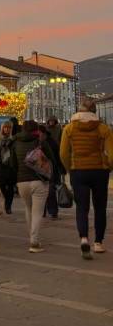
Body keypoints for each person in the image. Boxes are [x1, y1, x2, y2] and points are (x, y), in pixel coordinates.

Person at [60, 100, 113, 259]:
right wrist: (108, 166)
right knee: (100, 207)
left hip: (78, 171)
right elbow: (111, 153)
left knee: (82, 207)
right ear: (95, 112)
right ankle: (98, 242)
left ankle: (84, 238)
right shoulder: (103, 128)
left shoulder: (69, 128)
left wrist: (70, 168)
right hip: (99, 171)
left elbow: (63, 153)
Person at [13, 121, 54, 253]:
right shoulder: (40, 142)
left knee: (28, 208)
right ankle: (34, 241)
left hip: (22, 181)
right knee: (37, 212)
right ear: (36, 130)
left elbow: (12, 163)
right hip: (39, 180)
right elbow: (51, 159)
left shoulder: (15, 142)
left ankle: (31, 236)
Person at [0, 121, 17, 214]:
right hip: (0, 165)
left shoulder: (13, 139)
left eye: (9, 128)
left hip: (10, 166)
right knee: (1, 185)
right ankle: (6, 199)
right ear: (2, 128)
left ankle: (8, 206)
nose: (7, 129)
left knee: (11, 186)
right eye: (5, 127)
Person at [38, 125, 64, 219]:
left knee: (50, 191)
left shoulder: (51, 142)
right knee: (41, 192)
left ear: (44, 133)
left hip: (50, 170)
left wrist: (61, 169)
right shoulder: (35, 142)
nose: (38, 135)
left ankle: (53, 211)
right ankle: (43, 211)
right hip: (38, 170)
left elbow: (56, 157)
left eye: (39, 133)